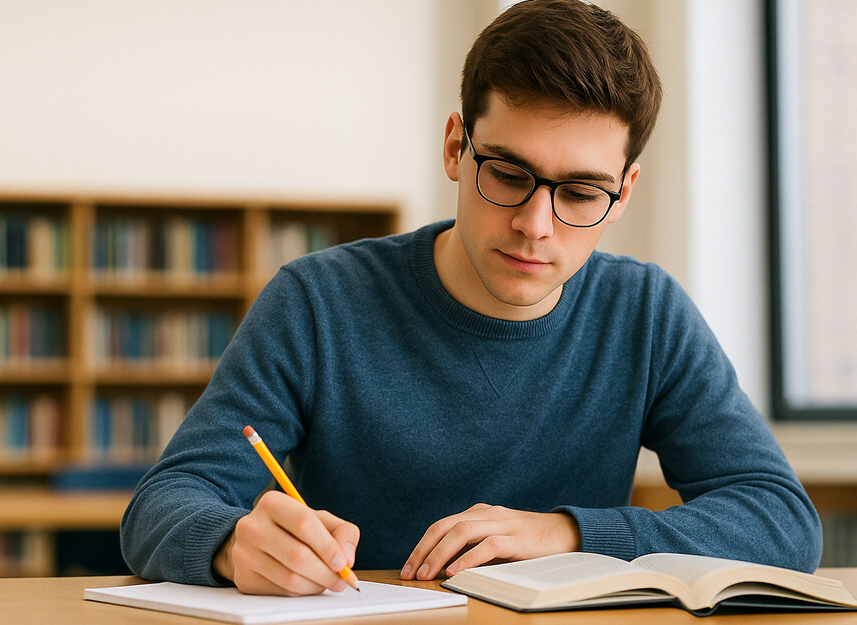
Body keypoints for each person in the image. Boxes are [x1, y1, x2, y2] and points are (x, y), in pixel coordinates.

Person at [120, 0, 822, 596]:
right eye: (510, 174)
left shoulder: (645, 313)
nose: (535, 224)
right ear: (457, 146)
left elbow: (782, 522)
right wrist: (230, 542)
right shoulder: (318, 301)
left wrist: (568, 533)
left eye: (580, 193)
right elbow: (161, 504)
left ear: (622, 193)